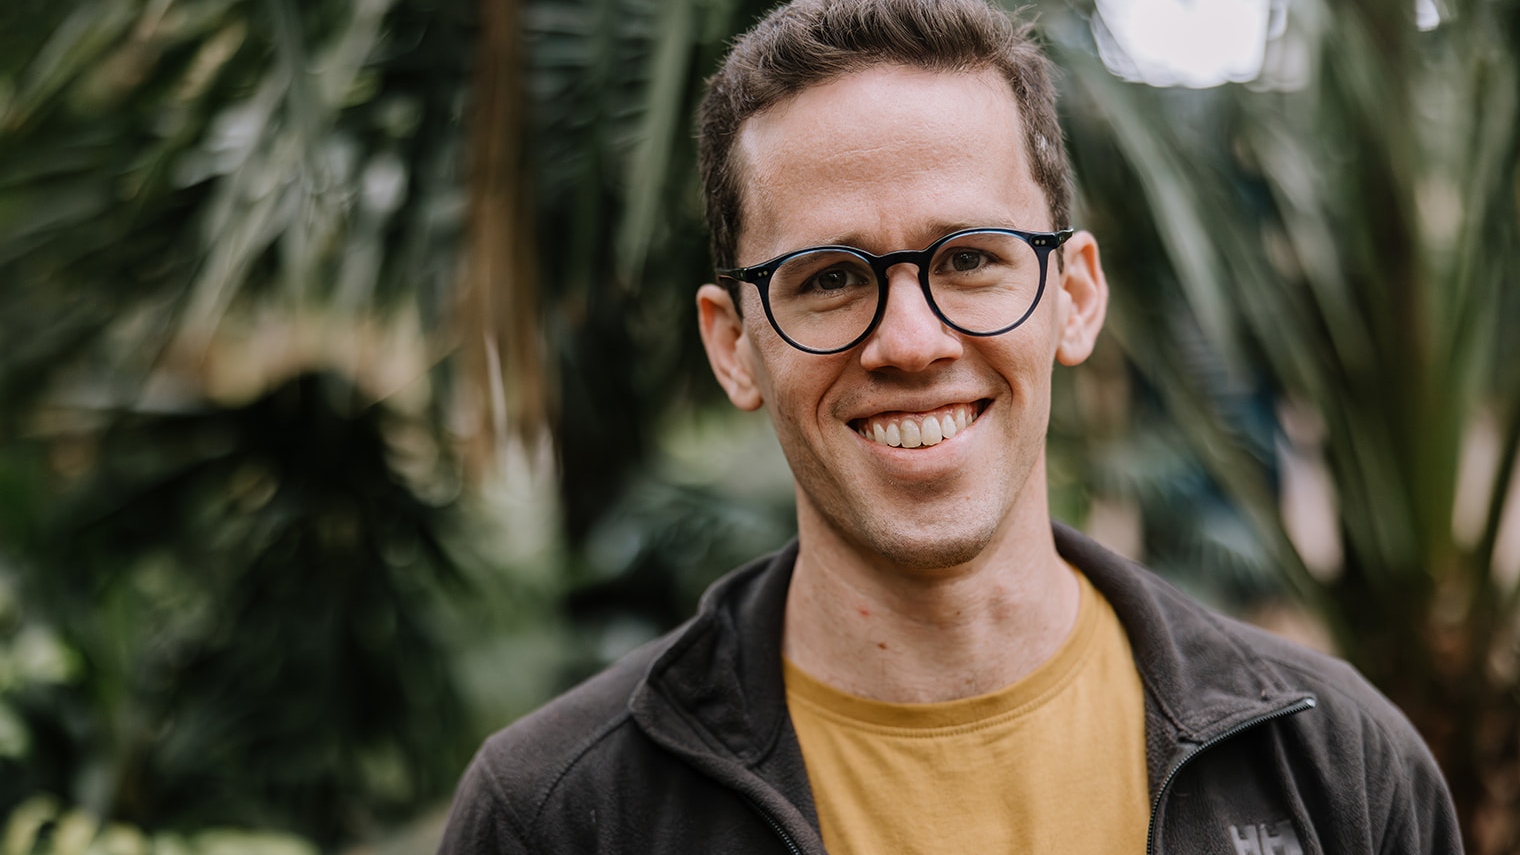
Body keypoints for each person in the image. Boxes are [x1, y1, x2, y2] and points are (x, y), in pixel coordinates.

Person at [439, 0, 1462, 852]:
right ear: (731, 345)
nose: (911, 341)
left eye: (969, 258)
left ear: (1073, 295)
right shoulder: (558, 817)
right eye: (829, 278)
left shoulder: (1338, 774)